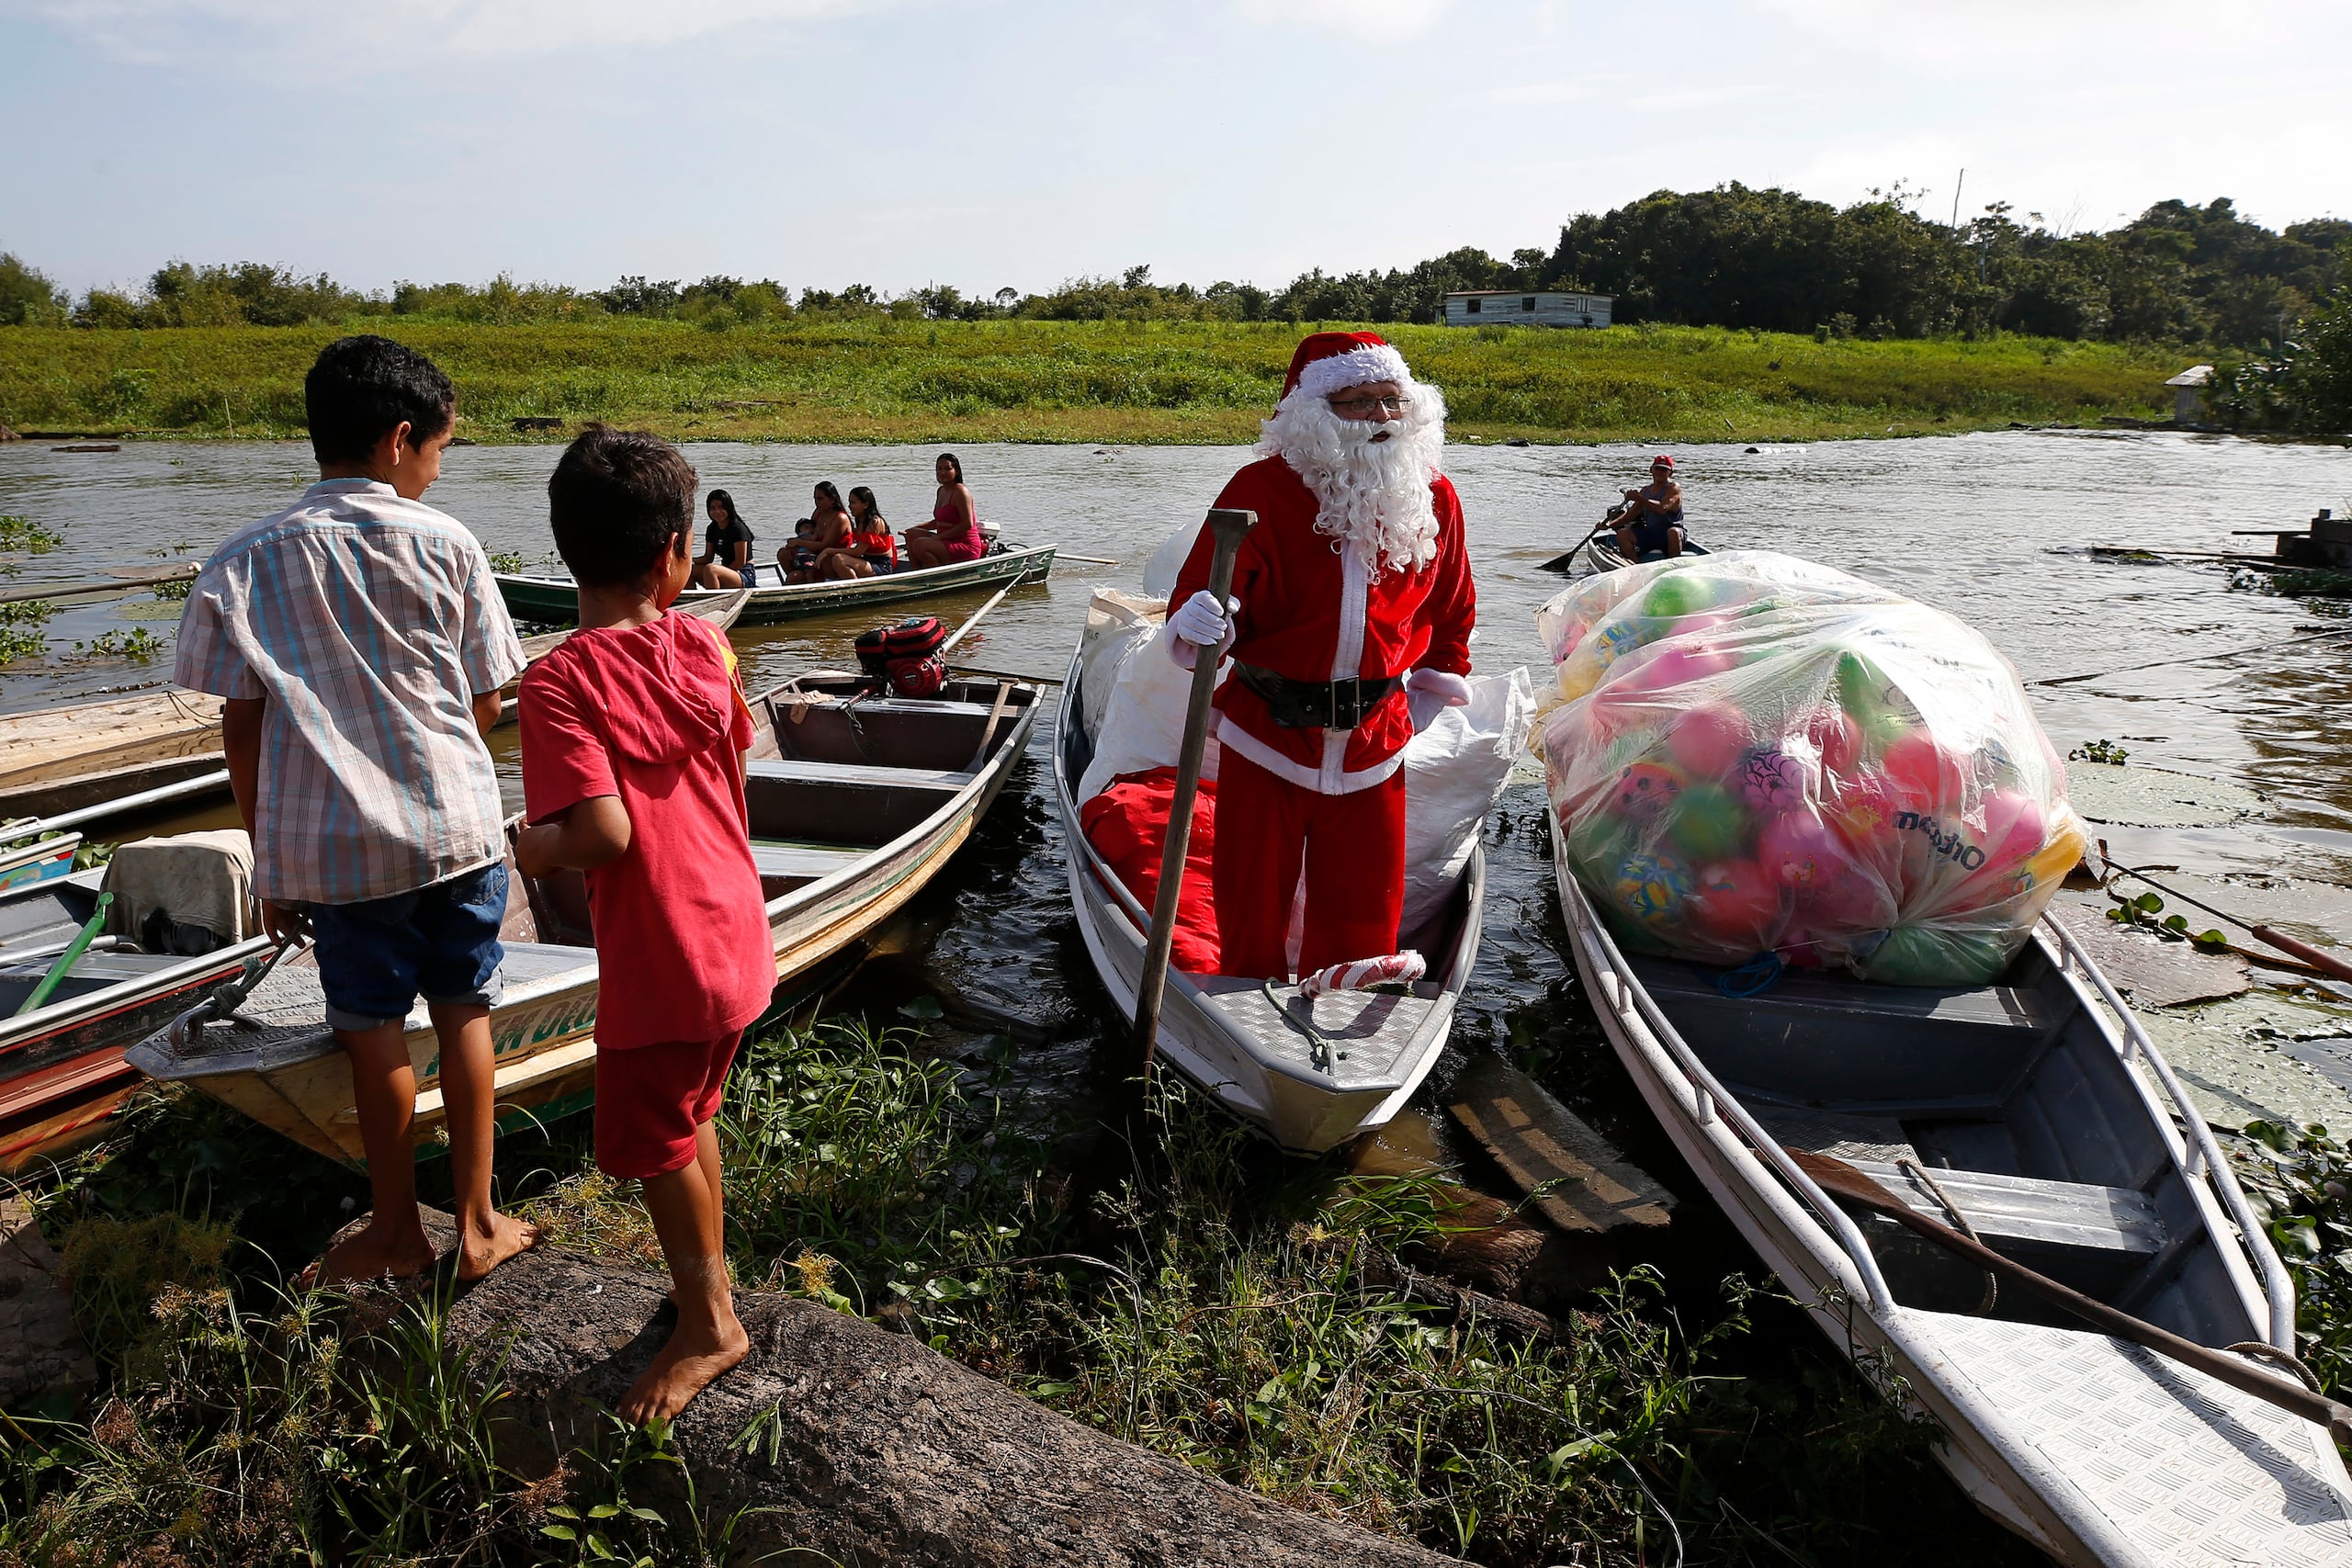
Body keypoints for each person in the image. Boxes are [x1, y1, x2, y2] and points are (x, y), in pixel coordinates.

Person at [174, 334, 538, 1285]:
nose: (435, 470)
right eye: (439, 451)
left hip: (336, 851)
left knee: (370, 1027)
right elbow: (490, 703)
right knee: (465, 1013)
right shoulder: (447, 542)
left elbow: (241, 729)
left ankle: (393, 1233)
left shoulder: (243, 559)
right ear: (399, 440)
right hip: (458, 829)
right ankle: (481, 1221)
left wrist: (271, 861)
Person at [514, 424, 772, 1423]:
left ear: (563, 547)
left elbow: (604, 835)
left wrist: (537, 850)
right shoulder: (703, 639)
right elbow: (729, 764)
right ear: (673, 553)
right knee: (689, 1116)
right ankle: (703, 1287)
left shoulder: (559, 680)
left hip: (664, 954)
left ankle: (711, 1326)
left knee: (655, 1143)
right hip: (737, 931)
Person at [1168, 332, 1476, 980]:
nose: (1381, 418)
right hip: (1268, 733)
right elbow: (1206, 590)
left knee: (1364, 911)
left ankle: (1345, 1004)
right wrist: (1202, 619)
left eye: (1391, 400)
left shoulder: (1434, 496)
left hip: (1375, 737)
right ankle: (1243, 1003)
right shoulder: (1259, 488)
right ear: (1313, 412)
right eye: (1357, 402)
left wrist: (1436, 680)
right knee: (1251, 903)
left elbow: (1452, 603)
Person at [901, 453, 984, 569]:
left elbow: (967, 524)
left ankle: (935, 576)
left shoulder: (961, 492)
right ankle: (914, 572)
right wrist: (914, 528)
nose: (942, 473)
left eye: (947, 469)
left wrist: (940, 537)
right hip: (946, 540)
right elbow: (938, 522)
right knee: (911, 534)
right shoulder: (941, 491)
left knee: (920, 544)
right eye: (939, 469)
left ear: (957, 471)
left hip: (965, 545)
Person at [1613, 455, 1685, 560]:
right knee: (1622, 534)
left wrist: (1639, 498)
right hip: (1650, 533)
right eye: (1657, 468)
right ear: (1651, 470)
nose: (1660, 472)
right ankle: (1635, 566)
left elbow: (1662, 508)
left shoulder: (1673, 488)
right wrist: (1608, 525)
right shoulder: (1645, 490)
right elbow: (1630, 516)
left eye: (1664, 470)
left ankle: (1674, 565)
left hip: (1669, 534)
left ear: (1670, 473)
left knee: (1673, 532)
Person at [778, 481, 852, 580]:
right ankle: (802, 576)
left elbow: (824, 545)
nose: (817, 502)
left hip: (831, 559)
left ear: (832, 500)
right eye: (815, 499)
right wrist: (795, 544)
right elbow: (810, 536)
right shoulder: (818, 513)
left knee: (794, 578)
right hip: (815, 555)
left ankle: (806, 580)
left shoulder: (840, 518)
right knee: (783, 553)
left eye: (820, 499)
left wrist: (799, 542)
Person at [692, 489, 756, 588]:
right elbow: (708, 557)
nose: (717, 511)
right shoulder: (712, 528)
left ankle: (714, 602)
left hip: (743, 574)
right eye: (713, 508)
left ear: (728, 508)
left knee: (711, 569)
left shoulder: (737, 528)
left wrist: (720, 572)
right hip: (726, 570)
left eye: (721, 507)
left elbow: (740, 562)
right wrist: (689, 560)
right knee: (689, 570)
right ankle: (691, 600)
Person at [781, 518, 821, 583]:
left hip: (804, 557)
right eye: (806, 527)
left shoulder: (799, 539)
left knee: (809, 570)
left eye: (812, 527)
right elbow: (813, 539)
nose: (810, 529)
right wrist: (817, 531)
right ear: (799, 531)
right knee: (810, 570)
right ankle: (811, 583)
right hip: (804, 558)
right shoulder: (804, 536)